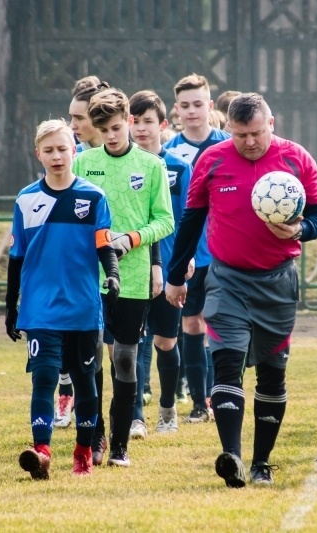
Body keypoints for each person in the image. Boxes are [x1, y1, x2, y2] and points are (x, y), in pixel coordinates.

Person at [165, 92, 317, 487]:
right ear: (228, 130)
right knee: (226, 364)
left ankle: (261, 462)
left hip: (278, 280)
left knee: (273, 374)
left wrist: (299, 229)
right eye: (241, 135)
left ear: (271, 123)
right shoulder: (213, 160)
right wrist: (175, 276)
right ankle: (233, 458)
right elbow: (190, 221)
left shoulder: (297, 159)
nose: (250, 142)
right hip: (226, 279)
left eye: (257, 132)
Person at [5, 119, 120, 479]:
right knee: (44, 378)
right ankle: (41, 452)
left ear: (75, 149)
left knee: (86, 382)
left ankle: (84, 452)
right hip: (40, 309)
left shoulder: (93, 197)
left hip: (84, 308)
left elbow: (104, 245)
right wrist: (11, 306)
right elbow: (16, 257)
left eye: (63, 148)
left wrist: (113, 273)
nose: (57, 156)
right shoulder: (26, 200)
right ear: (38, 153)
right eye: (49, 150)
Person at [72, 88, 174, 467]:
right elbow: (75, 215)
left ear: (128, 122)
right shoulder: (83, 163)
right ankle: (94, 437)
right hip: (90, 277)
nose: (112, 135)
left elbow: (164, 220)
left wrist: (132, 239)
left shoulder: (151, 166)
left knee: (127, 360)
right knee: (90, 361)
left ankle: (119, 445)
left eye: (117, 127)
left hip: (131, 279)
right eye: (105, 130)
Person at [163, 74, 231, 424]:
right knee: (191, 324)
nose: (192, 111)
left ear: (210, 105)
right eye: (185, 105)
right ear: (177, 110)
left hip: (225, 252)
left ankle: (222, 392)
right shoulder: (169, 153)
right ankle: (199, 404)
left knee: (221, 324)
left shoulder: (229, 145)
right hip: (190, 255)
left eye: (198, 104)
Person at [128, 89, 194, 436]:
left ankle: (167, 407)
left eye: (148, 122)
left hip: (169, 267)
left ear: (162, 125)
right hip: (132, 267)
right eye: (135, 122)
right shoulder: (121, 165)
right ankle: (136, 415)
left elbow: (188, 217)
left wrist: (188, 257)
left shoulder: (179, 167)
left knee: (166, 341)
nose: (140, 129)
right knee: (133, 342)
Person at [54, 76, 113, 430]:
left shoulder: (121, 156)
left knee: (112, 352)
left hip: (115, 266)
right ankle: (81, 411)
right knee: (71, 346)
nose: (72, 125)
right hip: (73, 269)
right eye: (70, 117)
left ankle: (117, 420)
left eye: (78, 118)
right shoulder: (68, 156)